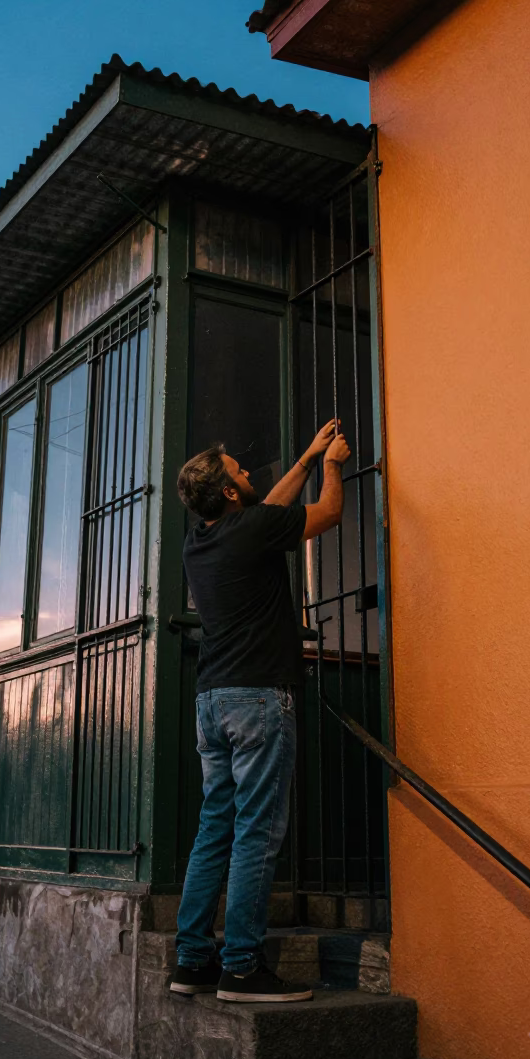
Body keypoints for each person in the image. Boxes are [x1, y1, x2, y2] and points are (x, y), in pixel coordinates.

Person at [171, 420, 351, 1003]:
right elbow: (325, 516)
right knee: (255, 833)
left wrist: (304, 455)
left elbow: (268, 508)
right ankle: (243, 967)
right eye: (239, 473)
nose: (248, 473)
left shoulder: (204, 538)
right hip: (257, 699)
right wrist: (332, 465)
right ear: (227, 492)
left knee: (214, 830)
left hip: (212, 700)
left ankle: (193, 960)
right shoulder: (250, 529)